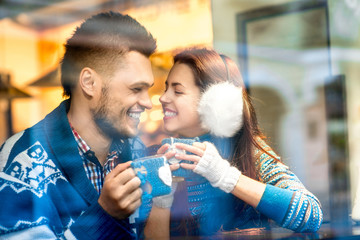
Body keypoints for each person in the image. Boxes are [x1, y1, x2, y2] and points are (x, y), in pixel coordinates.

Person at [0, 11, 162, 239]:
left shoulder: (135, 148)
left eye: (148, 89)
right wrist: (104, 214)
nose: (147, 102)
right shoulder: (20, 163)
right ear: (89, 83)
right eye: (136, 89)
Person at [151, 47, 323, 237]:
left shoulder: (248, 152)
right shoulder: (160, 159)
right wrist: (161, 197)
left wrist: (225, 176)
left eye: (177, 91)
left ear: (215, 102)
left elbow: (310, 215)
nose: (163, 97)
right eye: (166, 88)